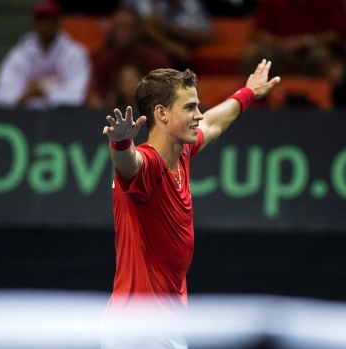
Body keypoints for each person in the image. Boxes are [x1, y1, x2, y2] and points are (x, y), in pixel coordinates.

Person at [99, 59, 280, 348]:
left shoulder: (181, 153)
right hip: (140, 329)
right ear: (162, 113)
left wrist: (248, 92)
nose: (198, 115)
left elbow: (214, 122)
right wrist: (121, 143)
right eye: (189, 107)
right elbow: (127, 163)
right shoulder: (148, 167)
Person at [0, 0, 91, 109]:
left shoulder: (75, 54)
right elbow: (0, 95)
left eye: (50, 20)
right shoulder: (20, 54)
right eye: (42, 20)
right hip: (25, 117)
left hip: (62, 119)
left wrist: (43, 91)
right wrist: (25, 96)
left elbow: (77, 97)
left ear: (58, 23)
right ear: (34, 23)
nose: (45, 25)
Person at [240, 0, 346, 79]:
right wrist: (281, 45)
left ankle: (325, 107)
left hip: (312, 51)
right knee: (252, 53)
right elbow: (260, 31)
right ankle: (252, 103)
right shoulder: (272, 2)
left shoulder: (332, 2)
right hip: (278, 52)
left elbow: (337, 34)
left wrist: (306, 42)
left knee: (323, 59)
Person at [87, 7, 171, 108]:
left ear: (137, 30)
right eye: (115, 28)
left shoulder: (157, 60)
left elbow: (168, 99)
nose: (118, 33)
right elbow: (95, 97)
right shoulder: (106, 60)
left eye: (124, 28)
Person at [123, 0, 213, 69]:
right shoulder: (148, 3)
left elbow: (206, 37)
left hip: (184, 50)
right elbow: (147, 26)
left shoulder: (191, 3)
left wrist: (168, 27)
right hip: (150, 45)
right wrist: (171, 46)